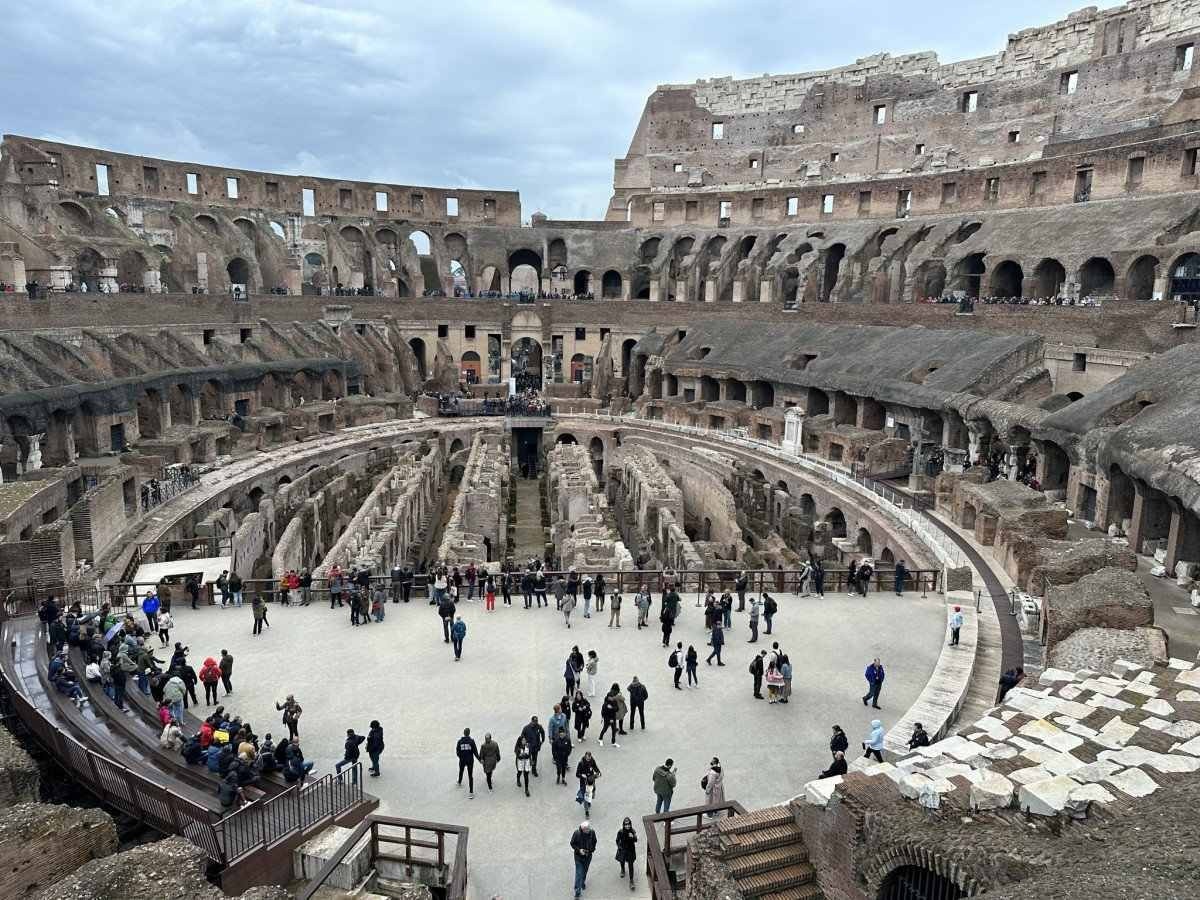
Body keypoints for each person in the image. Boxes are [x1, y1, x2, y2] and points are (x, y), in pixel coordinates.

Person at [570, 821, 597, 899]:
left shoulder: (592, 832)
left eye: (589, 828)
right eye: (586, 829)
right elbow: (572, 843)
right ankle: (577, 892)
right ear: (583, 829)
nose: (588, 830)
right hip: (578, 857)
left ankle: (582, 882)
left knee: (585, 871)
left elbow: (595, 841)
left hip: (588, 856)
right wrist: (579, 850)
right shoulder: (577, 833)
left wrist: (591, 850)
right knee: (578, 873)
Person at [456, 727, 480, 797]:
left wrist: (461, 757)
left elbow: (457, 751)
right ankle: (471, 792)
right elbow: (475, 752)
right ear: (469, 733)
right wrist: (479, 759)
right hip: (470, 761)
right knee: (470, 776)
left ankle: (459, 782)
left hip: (462, 760)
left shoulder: (459, 741)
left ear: (464, 733)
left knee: (461, 771)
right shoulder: (471, 741)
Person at [615, 817, 638, 889]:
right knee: (622, 861)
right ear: (624, 825)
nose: (627, 826)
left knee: (631, 865)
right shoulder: (620, 832)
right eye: (626, 825)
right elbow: (617, 840)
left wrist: (633, 837)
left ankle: (631, 881)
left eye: (628, 824)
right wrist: (619, 847)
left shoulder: (633, 831)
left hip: (630, 850)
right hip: (623, 850)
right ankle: (623, 870)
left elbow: (636, 840)